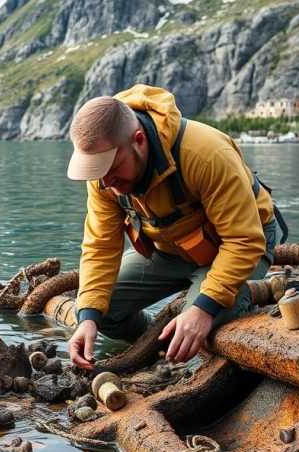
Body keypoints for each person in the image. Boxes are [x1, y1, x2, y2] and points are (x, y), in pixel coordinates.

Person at [66, 85, 283, 369]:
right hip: (167, 249)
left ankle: (237, 300)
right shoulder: (103, 178)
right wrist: (88, 318)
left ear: (139, 140)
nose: (107, 184)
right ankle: (158, 343)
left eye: (112, 168)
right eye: (98, 172)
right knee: (97, 308)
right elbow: (100, 247)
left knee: (205, 323)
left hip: (238, 244)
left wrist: (203, 310)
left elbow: (244, 240)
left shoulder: (206, 154)